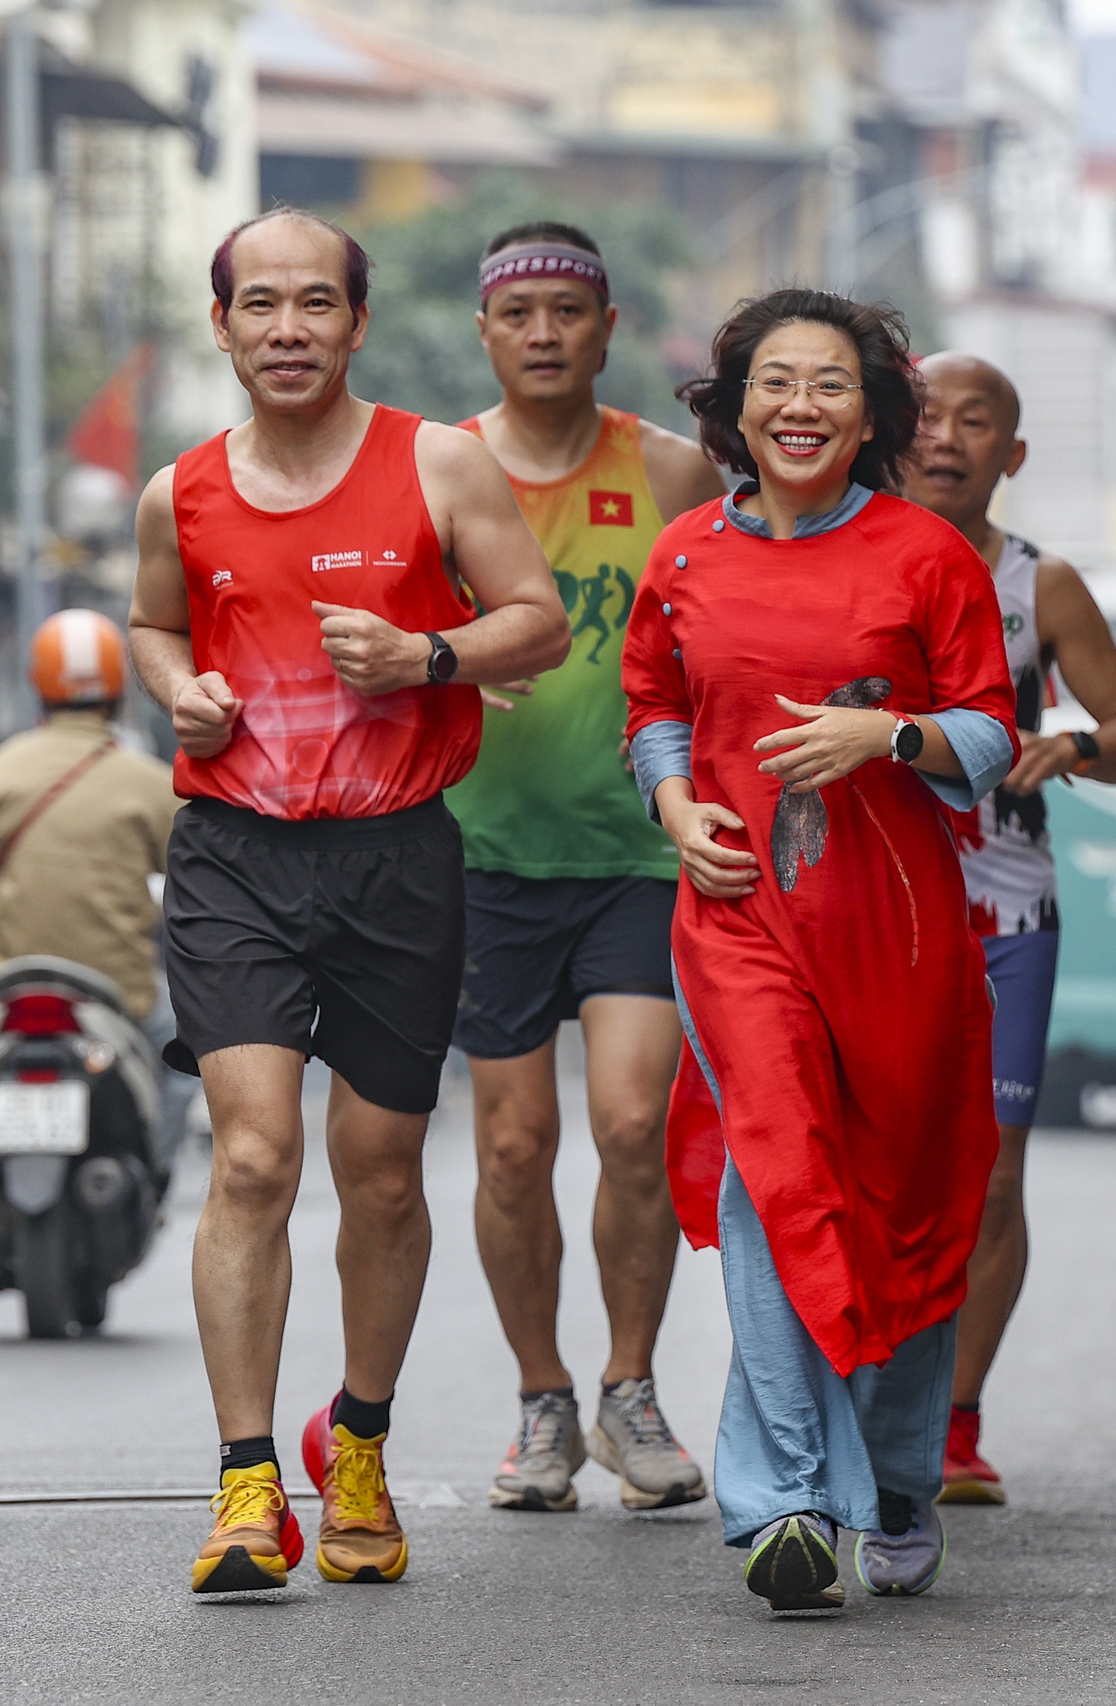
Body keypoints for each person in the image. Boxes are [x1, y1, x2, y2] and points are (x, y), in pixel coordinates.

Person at [128, 208, 569, 1595]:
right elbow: (152, 621)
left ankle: (360, 1446)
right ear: (223, 326)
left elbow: (539, 619)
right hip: (235, 852)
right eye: (259, 305)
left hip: (396, 853)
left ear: (357, 323)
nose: (287, 330)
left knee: (380, 1173)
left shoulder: (437, 462)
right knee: (253, 1157)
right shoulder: (177, 494)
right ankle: (247, 1484)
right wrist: (175, 688)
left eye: (316, 304)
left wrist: (428, 653)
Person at [622, 289, 1017, 1612]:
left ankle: (898, 1469)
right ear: (735, 405)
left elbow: (990, 736)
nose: (800, 405)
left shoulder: (926, 555)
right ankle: (785, 1494)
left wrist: (889, 739)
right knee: (772, 1169)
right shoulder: (683, 554)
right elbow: (654, 704)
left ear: (872, 413)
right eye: (775, 381)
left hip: (898, 930)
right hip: (739, 916)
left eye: (831, 384)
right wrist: (676, 803)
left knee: (902, 1198)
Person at [449, 221, 726, 1515]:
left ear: (609, 329)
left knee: (629, 1124)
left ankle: (631, 1387)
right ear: (488, 332)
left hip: (635, 852)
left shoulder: (671, 470)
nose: (546, 332)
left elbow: (724, 630)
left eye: (571, 310)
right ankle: (541, 1399)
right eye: (522, 313)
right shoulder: (437, 473)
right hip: (481, 856)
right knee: (512, 1147)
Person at [895, 351, 1116, 1505]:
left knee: (992, 1182)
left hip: (1008, 911)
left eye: (976, 421)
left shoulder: (1038, 585)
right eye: (927, 415)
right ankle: (859, 1397)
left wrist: (1081, 745)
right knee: (869, 1168)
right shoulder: (828, 553)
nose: (945, 436)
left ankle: (953, 1422)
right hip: (870, 909)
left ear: (1010, 455)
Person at [0, 609, 189, 1156]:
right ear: (119, 691)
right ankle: (152, 1168)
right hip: (119, 990)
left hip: (6, 984)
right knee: (182, 1063)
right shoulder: (149, 781)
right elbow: (186, 868)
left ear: (38, 686)